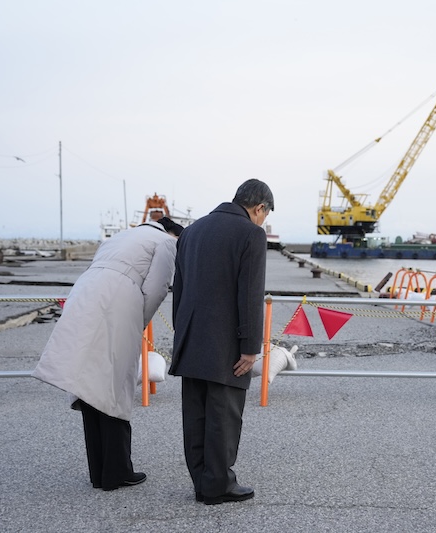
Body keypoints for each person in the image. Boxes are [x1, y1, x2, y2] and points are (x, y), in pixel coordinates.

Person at [33, 216, 183, 491]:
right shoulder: (166, 242)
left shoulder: (118, 238)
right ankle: (117, 472)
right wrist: (139, 320)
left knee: (88, 381)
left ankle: (98, 471)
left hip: (84, 294)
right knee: (115, 384)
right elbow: (158, 287)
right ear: (174, 233)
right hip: (118, 300)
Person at [169, 179, 274, 505]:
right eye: (265, 215)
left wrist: (181, 333)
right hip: (227, 343)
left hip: (190, 339)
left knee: (196, 416)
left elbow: (179, 289)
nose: (263, 222)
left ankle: (202, 481)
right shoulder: (251, 234)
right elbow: (250, 294)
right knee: (223, 416)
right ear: (259, 208)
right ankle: (218, 485)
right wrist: (250, 346)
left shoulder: (192, 230)